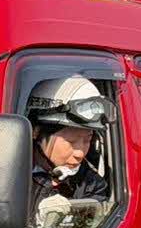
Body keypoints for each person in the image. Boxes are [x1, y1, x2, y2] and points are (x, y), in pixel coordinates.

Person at [27, 76, 112, 216]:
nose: (80, 153)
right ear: (36, 132)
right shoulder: (10, 175)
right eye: (71, 141)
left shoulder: (90, 184)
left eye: (87, 140)